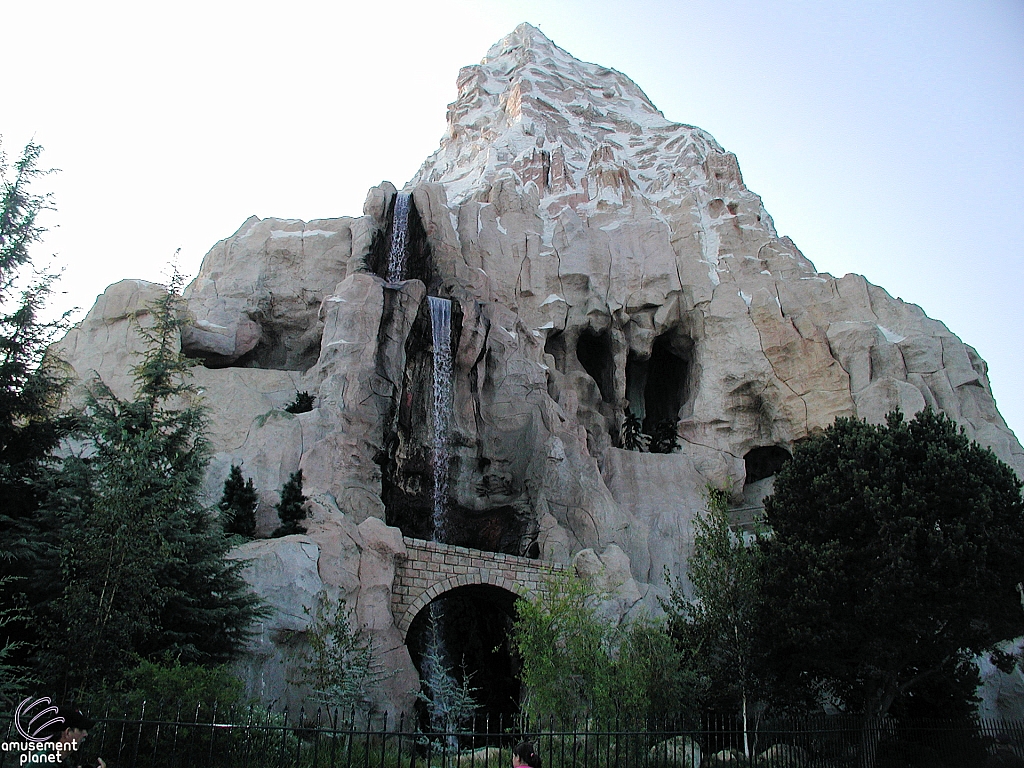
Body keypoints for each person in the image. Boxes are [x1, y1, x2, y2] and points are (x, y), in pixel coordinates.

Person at [38, 704, 107, 768]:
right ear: (68, 732)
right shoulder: (45, 763)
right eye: (81, 729)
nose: (86, 734)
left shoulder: (58, 760)